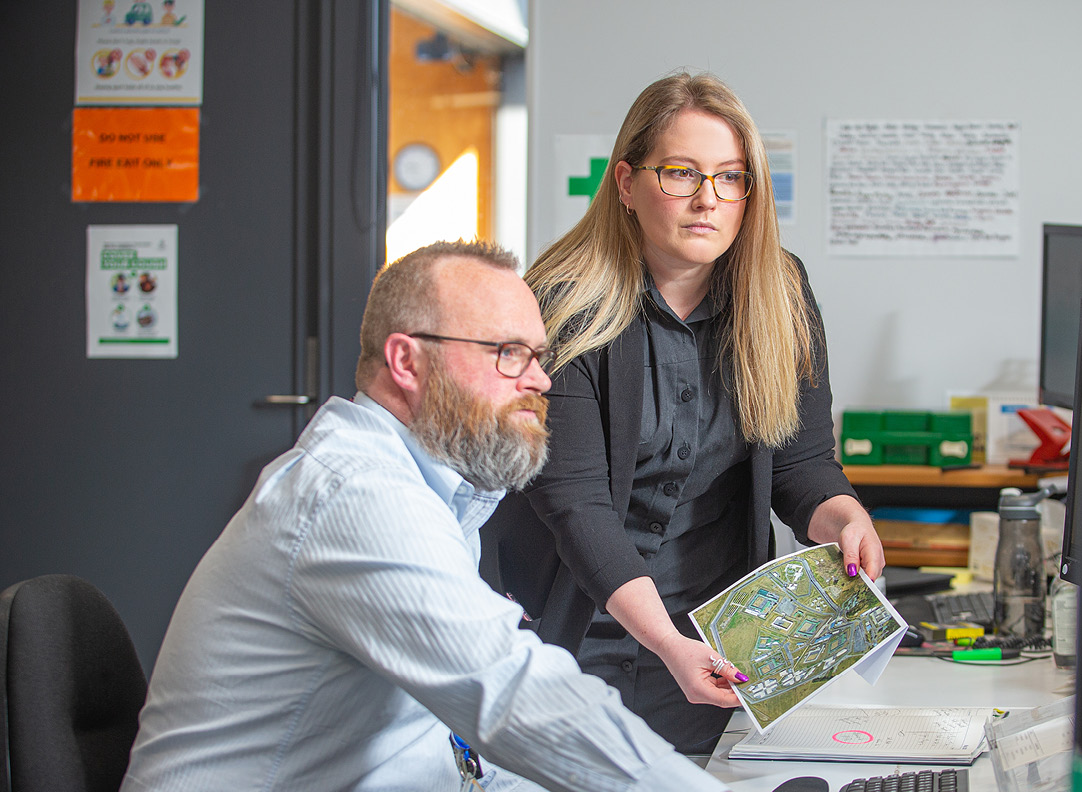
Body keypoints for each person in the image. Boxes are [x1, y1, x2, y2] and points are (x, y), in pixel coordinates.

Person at [120, 240, 730, 792]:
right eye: (509, 354)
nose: (541, 380)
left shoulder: (438, 494)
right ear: (407, 363)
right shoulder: (358, 496)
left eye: (538, 356)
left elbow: (456, 748)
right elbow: (514, 697)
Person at [481, 73, 886, 754]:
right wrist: (665, 641)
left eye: (731, 178)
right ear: (626, 184)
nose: (708, 199)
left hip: (718, 646)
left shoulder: (780, 294)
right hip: (578, 634)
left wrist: (844, 516)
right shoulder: (560, 304)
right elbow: (578, 505)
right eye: (681, 173)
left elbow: (802, 464)